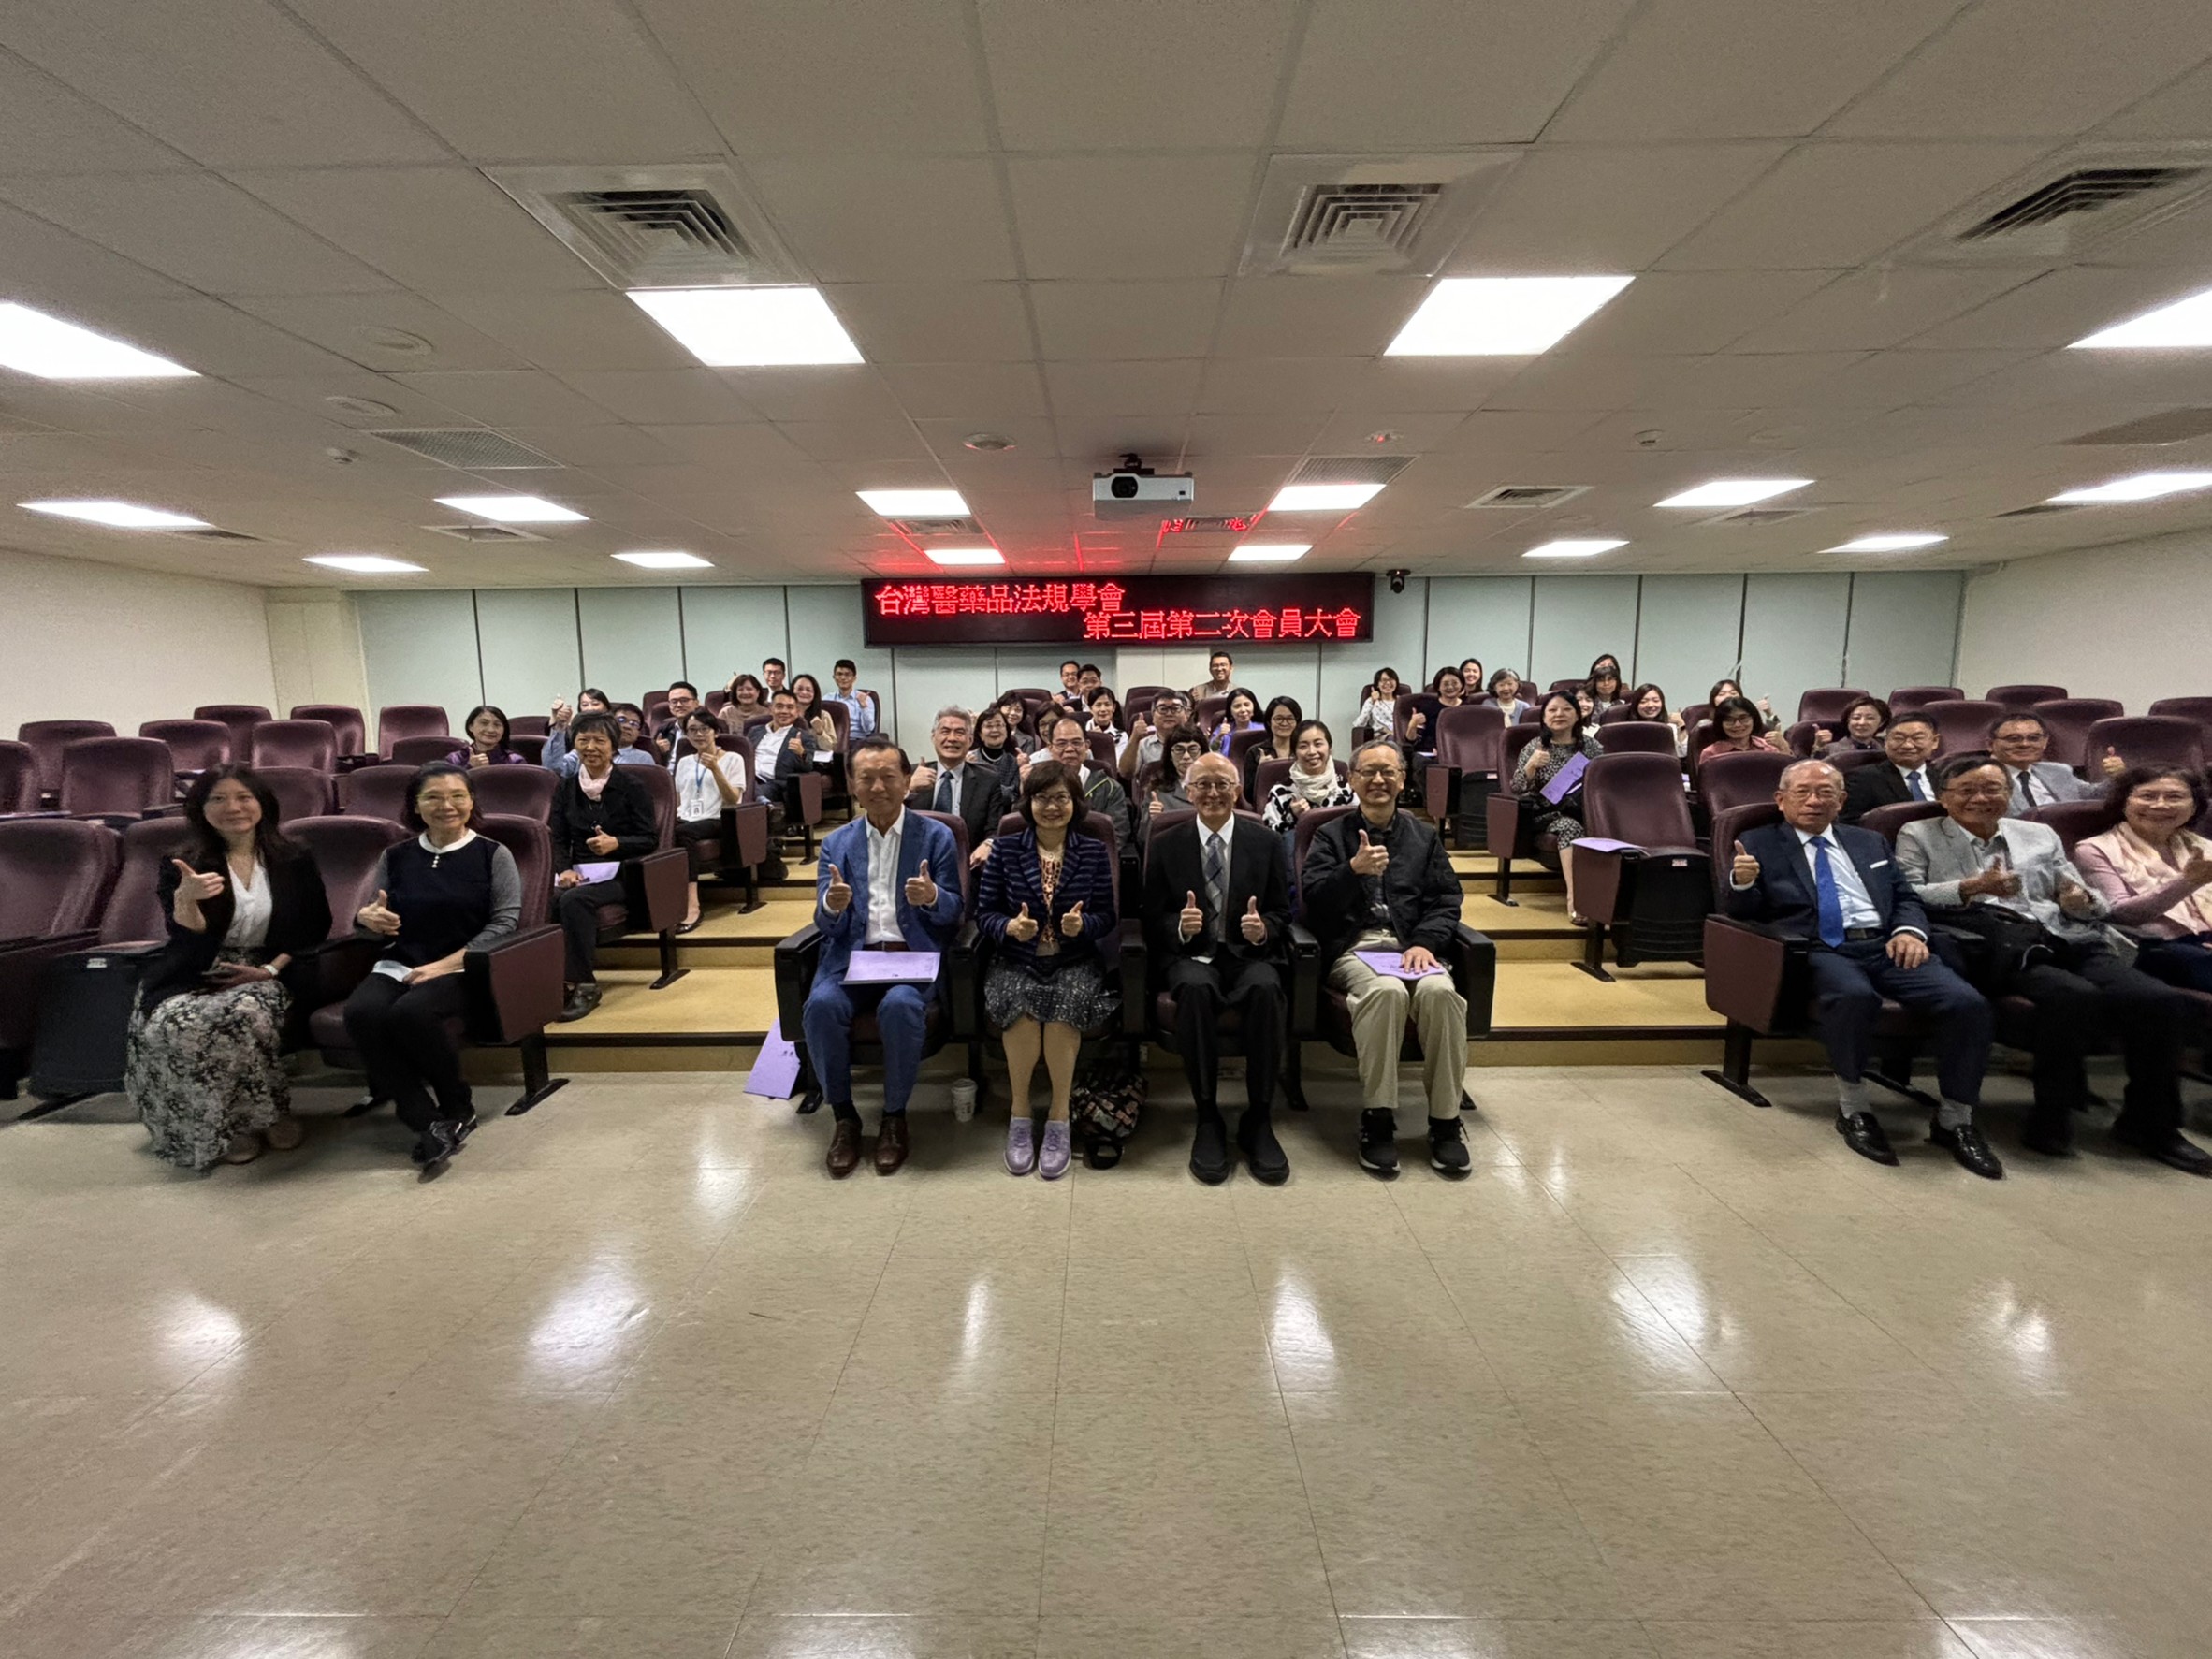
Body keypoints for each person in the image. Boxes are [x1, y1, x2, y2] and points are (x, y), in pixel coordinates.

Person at [1897, 755, 2207, 1173]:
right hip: (2001, 944)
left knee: (2157, 1000)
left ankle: (2152, 1124)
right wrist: (1969, 887)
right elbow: (1908, 893)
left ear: (2009, 794)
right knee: (2071, 996)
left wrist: (2080, 900)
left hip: (2068, 935)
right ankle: (2052, 1115)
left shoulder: (2039, 833)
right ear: (1943, 797)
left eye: (1992, 789)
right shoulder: (1920, 833)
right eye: (1967, 790)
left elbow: (2087, 900)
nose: (1981, 798)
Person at [1725, 759, 1996, 1174]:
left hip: (1886, 944)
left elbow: (1905, 897)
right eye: (1803, 792)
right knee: (1854, 996)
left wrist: (1909, 931)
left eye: (1825, 793)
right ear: (1781, 800)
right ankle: (1854, 1108)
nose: (1814, 801)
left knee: (1967, 1003)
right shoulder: (1758, 842)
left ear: (1841, 801)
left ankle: (1955, 1119)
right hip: (1820, 946)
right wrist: (1743, 882)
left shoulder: (1869, 842)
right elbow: (1745, 913)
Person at [127, 766, 331, 1171]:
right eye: (218, 799)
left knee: (242, 1015)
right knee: (175, 1022)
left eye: (243, 797)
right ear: (201, 809)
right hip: (198, 968)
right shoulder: (183, 863)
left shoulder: (294, 857)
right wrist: (186, 899)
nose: (232, 808)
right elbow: (186, 939)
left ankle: (267, 1115)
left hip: (272, 968)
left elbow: (315, 927)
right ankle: (231, 1125)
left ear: (262, 804)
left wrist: (270, 970)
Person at [1302, 741, 1473, 1178]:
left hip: (1412, 946)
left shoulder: (1423, 837)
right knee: (1386, 992)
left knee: (1441, 994)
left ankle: (1445, 1121)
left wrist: (1425, 943)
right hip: (1356, 947)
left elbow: (1446, 899)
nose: (1378, 780)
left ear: (1402, 779)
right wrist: (1352, 871)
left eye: (1388, 772)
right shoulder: (1330, 836)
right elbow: (1313, 903)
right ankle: (1378, 1118)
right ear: (1352, 779)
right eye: (1368, 772)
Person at [344, 764, 523, 1172]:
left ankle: (457, 1105)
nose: (447, 805)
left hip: (463, 966)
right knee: (362, 1012)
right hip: (401, 960)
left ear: (472, 802)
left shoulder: (493, 854)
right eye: (433, 797)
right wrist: (368, 918)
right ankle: (425, 1119)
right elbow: (374, 915)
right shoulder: (396, 855)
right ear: (416, 805)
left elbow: (505, 923)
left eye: (458, 796)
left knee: (411, 1012)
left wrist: (443, 965)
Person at [807, 736, 965, 1178]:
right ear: (852, 784)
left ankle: (894, 1117)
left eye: (888, 777)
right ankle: (844, 1117)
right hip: (852, 958)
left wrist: (933, 897)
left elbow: (954, 914)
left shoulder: (936, 836)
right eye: (867, 778)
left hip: (910, 958)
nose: (878, 787)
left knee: (899, 1007)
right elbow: (825, 924)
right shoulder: (836, 843)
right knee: (821, 1006)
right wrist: (831, 906)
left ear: (907, 781)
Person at [1143, 753, 1293, 1184]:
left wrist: (1264, 929)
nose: (1212, 793)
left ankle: (1258, 1117)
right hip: (1192, 955)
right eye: (1203, 785)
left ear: (1237, 790)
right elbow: (1150, 916)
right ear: (1188, 792)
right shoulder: (1166, 842)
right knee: (1193, 989)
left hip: (1248, 954)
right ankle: (1207, 1115)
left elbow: (1282, 911)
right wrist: (1179, 926)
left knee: (1266, 988)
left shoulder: (1265, 841)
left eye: (1222, 784)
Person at [977, 761, 1120, 1180]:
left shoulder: (1092, 851)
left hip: (1074, 959)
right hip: (1017, 959)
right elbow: (984, 913)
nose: (1052, 807)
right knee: (1020, 1006)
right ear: (1028, 803)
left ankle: (1059, 1118)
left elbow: (1106, 916)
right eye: (1042, 798)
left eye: (1061, 798)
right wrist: (1009, 927)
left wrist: (1083, 925)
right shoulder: (1005, 849)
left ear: (1075, 803)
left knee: (1063, 1007)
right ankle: (1020, 1113)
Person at [549, 712, 659, 1023]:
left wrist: (617, 843)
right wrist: (564, 870)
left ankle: (584, 984)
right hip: (580, 872)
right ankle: (548, 982)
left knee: (574, 901)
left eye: (599, 740)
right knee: (546, 899)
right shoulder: (566, 788)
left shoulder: (631, 786)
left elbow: (650, 839)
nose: (591, 747)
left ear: (613, 746)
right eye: (583, 740)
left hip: (623, 874)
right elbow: (558, 838)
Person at [2077, 765, 2212, 993]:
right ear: (2124, 802)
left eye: (2174, 797)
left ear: (2194, 806)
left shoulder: (2203, 846)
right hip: (2157, 947)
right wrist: (2187, 882)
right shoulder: (2094, 849)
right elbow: (2119, 914)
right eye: (2148, 796)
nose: (2160, 805)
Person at [1509, 692, 1606, 923]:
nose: (1559, 714)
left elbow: (1603, 784)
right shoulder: (1535, 746)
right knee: (1570, 827)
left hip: (1584, 811)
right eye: (1552, 710)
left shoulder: (1592, 747)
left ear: (1578, 715)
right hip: (1546, 814)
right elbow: (1516, 788)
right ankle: (1576, 900)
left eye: (1566, 709)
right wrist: (1531, 766)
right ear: (1544, 717)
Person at [672, 709, 748, 932]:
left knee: (683, 834)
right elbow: (678, 799)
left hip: (717, 819)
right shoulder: (684, 762)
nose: (699, 734)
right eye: (692, 730)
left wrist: (715, 769)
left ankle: (692, 904)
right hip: (686, 818)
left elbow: (733, 799)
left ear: (715, 732)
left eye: (704, 729)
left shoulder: (733, 758)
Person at [907, 706, 1008, 865]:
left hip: (967, 862)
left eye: (959, 732)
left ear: (970, 740)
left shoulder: (988, 780)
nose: (952, 738)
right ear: (933, 737)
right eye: (945, 731)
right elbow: (886, 818)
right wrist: (908, 790)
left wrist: (988, 844)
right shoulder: (911, 775)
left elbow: (995, 829)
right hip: (917, 861)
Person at [1042, 713, 1134, 852]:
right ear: (1050, 748)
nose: (1069, 749)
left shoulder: (1109, 788)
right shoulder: (1038, 786)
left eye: (1076, 743)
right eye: (1061, 744)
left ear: (1087, 746)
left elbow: (1116, 836)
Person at [1986, 713, 2103, 810]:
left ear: (2045, 742)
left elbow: (2094, 796)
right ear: (1990, 744)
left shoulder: (2058, 771)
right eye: (2013, 739)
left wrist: (2114, 777)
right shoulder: (1983, 778)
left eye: (2034, 738)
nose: (2025, 744)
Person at [1841, 713, 1941, 822]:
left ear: (1935, 742)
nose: (1907, 745)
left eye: (1917, 738)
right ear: (1885, 742)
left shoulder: (1944, 776)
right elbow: (1850, 823)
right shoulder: (1861, 779)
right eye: (1899, 738)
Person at [1261, 719, 1354, 837]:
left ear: (1329, 748)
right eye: (1303, 746)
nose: (1311, 752)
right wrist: (1291, 816)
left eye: (1318, 744)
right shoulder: (1281, 791)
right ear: (1294, 753)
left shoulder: (1346, 787)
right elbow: (1268, 836)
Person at [749, 690, 814, 812]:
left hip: (775, 784)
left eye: (790, 708)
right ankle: (764, 803)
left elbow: (808, 767)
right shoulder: (755, 731)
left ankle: (765, 803)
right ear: (771, 709)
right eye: (779, 706)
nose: (784, 711)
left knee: (749, 791)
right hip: (749, 778)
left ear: (797, 712)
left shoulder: (803, 736)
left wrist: (801, 753)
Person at [1141, 733, 1208, 843]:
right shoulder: (1157, 790)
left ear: (1203, 754)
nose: (1186, 756)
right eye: (1179, 750)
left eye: (1193, 750)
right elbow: (1142, 840)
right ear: (1170, 756)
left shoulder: (1216, 788)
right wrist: (1152, 819)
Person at [1242, 695, 1302, 803]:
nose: (1284, 723)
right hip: (1267, 806)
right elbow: (1249, 796)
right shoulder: (1255, 752)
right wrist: (1261, 771)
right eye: (1279, 719)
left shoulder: (1303, 751)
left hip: (1302, 803)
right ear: (1269, 722)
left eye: (1290, 719)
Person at [1120, 690, 1192, 778]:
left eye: (1175, 708)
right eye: (1163, 709)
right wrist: (1134, 738)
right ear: (1153, 716)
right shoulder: (1143, 745)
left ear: (1186, 714)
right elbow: (1125, 773)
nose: (1169, 714)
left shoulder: (1196, 742)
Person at [1700, 696, 1787, 766]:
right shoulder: (1711, 754)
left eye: (1743, 718)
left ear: (1754, 719)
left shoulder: (1768, 748)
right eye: (1729, 720)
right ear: (1720, 724)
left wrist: (1783, 746)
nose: (1737, 725)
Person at [544, 688, 610, 772]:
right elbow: (555, 767)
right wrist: (560, 725)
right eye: (585, 705)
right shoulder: (578, 746)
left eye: (595, 704)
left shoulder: (616, 730)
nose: (590, 708)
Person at [445, 704, 526, 770]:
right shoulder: (454, 760)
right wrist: (470, 767)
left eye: (497, 725)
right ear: (471, 726)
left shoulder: (515, 762)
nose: (491, 730)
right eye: (484, 723)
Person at [972, 705, 1027, 793]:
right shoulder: (971, 761)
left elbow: (1014, 795)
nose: (995, 730)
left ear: (1007, 732)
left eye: (999, 725)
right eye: (989, 726)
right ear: (980, 734)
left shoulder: (1014, 763)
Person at [1817, 695, 1890, 757]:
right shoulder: (1830, 750)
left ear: (1881, 722)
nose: (1862, 723)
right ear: (1848, 720)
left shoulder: (1887, 750)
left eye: (1870, 718)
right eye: (1856, 718)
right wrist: (1818, 747)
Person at [1626, 682, 1686, 753]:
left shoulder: (1670, 728)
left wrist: (1682, 726)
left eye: (1656, 701)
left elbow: (1682, 753)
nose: (1650, 705)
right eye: (1643, 701)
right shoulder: (1626, 729)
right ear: (1635, 705)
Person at [788, 674, 839, 752]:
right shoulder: (785, 714)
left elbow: (830, 747)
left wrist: (820, 732)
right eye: (800, 689)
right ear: (792, 691)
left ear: (815, 693)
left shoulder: (823, 715)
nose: (804, 692)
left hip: (815, 757)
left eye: (808, 690)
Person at [650, 681, 701, 762]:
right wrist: (658, 752)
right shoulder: (664, 729)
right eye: (674, 701)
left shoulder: (708, 728)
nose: (679, 705)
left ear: (696, 703)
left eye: (684, 700)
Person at [1709, 678, 1780, 734]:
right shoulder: (1706, 726)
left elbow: (1771, 735)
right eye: (1722, 694)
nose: (1728, 696)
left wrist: (1769, 714)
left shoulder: (1749, 721)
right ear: (1713, 699)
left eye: (1733, 693)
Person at [827, 659, 876, 739]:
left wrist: (864, 707)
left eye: (847, 674)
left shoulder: (865, 699)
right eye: (839, 674)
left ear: (854, 678)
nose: (843, 678)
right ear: (834, 677)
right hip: (835, 740)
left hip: (857, 740)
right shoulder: (827, 699)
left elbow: (869, 729)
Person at [1353, 667, 1401, 747]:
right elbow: (1359, 724)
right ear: (1377, 684)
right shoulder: (1372, 701)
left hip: (1401, 735)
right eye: (1384, 680)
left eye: (1391, 680)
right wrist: (1372, 702)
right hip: (1382, 737)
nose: (1388, 683)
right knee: (1393, 741)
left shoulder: (1402, 701)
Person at [1209, 687, 1261, 754]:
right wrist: (1219, 737)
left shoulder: (1262, 730)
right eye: (1237, 706)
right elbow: (1212, 751)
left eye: (1247, 705)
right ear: (1230, 710)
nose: (1243, 710)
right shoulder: (1222, 730)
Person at [994, 691, 1041, 756]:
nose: (1013, 713)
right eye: (1008, 708)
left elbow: (1029, 761)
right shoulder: (988, 733)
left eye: (1018, 710)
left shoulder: (1028, 740)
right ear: (999, 709)